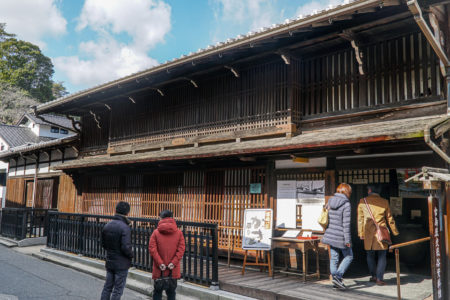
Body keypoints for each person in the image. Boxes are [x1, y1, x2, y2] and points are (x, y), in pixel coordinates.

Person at [358, 185, 399, 286]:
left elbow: (360, 219)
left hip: (368, 233)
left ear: (370, 190)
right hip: (382, 232)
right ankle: (379, 278)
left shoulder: (363, 201)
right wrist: (395, 232)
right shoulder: (384, 202)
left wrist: (361, 233)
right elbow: (390, 218)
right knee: (382, 256)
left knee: (370, 255)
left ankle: (373, 276)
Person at [321, 183, 353, 290]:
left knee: (334, 258)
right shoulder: (346, 204)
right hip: (340, 236)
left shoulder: (330, 201)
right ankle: (338, 277)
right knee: (349, 256)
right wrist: (348, 240)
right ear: (347, 191)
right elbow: (346, 224)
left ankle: (335, 279)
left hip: (330, 234)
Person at [100, 201, 134, 300]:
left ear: (115, 210)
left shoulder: (107, 225)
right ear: (127, 213)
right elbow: (126, 247)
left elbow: (103, 244)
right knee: (118, 289)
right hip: (122, 263)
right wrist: (131, 255)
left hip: (110, 260)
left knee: (107, 287)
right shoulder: (125, 227)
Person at [149, 210, 185, 300]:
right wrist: (173, 262)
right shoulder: (179, 233)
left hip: (159, 268)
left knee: (157, 291)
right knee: (171, 292)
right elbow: (181, 249)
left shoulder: (156, 232)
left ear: (161, 218)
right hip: (172, 268)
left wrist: (160, 263)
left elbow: (152, 249)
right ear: (172, 218)